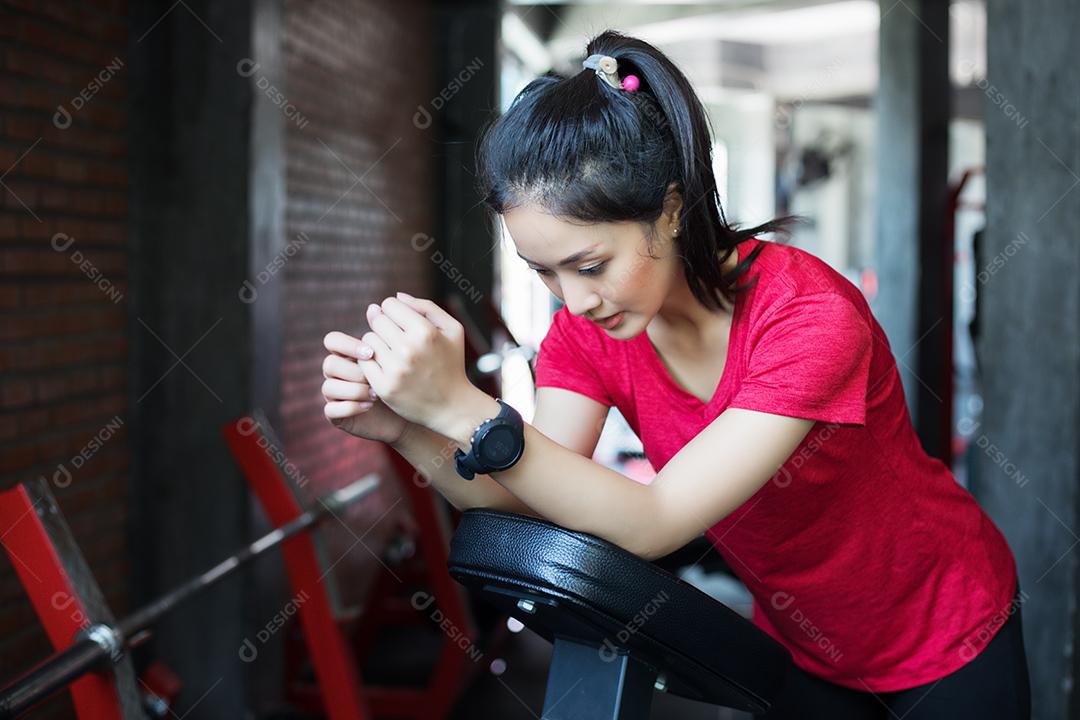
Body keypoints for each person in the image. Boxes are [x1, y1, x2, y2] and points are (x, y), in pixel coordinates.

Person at [321, 30, 1030, 719]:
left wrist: (461, 407)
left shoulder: (808, 318)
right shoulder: (588, 329)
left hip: (945, 631)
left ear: (669, 209)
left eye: (591, 265)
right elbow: (526, 501)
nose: (574, 300)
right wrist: (406, 429)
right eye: (546, 273)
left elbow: (653, 521)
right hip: (802, 643)